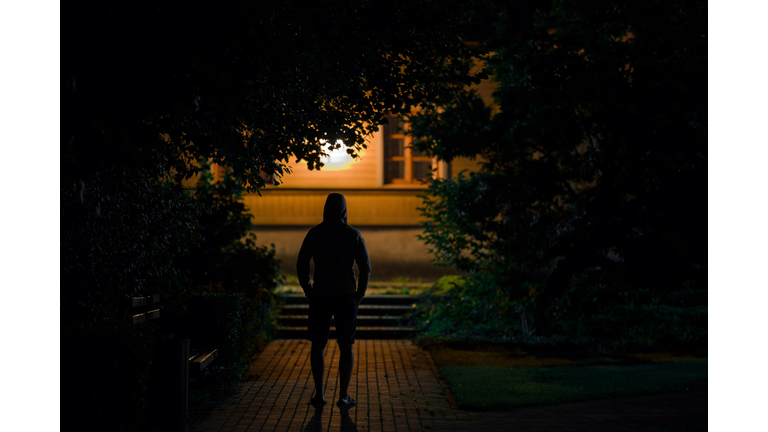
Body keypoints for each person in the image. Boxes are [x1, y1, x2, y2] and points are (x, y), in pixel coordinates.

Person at [297, 193, 371, 408]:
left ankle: (319, 394)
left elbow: (302, 263)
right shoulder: (353, 235)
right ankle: (344, 396)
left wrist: (308, 289)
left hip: (320, 294)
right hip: (346, 295)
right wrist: (359, 294)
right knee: (346, 345)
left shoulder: (315, 233)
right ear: (344, 210)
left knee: (318, 345)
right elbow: (365, 268)